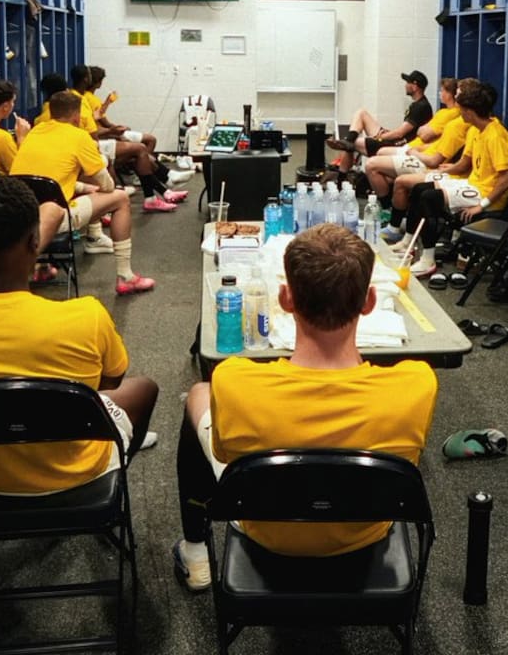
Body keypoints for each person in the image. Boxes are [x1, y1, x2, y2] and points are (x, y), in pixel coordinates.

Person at [171, 224, 439, 591]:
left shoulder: (233, 381)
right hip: (365, 531)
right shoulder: (416, 384)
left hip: (263, 527)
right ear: (369, 302)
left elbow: (222, 453)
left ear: (285, 299)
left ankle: (195, 551)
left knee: (199, 394)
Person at [0, 178, 160, 495]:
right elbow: (109, 382)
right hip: (80, 474)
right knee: (144, 388)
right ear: (35, 240)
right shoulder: (87, 317)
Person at [11, 90, 157, 295]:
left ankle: (42, 266)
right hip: (55, 217)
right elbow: (106, 185)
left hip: (21, 216)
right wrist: (100, 178)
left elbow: (44, 178)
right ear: (77, 117)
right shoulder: (79, 137)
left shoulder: (35, 132)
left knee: (79, 185)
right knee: (120, 198)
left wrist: (83, 188)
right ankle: (126, 277)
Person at [390, 79, 508, 278]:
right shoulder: (476, 129)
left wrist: (481, 206)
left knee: (429, 198)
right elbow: (465, 163)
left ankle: (427, 261)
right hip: (474, 184)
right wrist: (446, 171)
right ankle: (408, 243)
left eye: (462, 109)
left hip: (487, 194)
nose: (459, 112)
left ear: (470, 112)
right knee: (420, 188)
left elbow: (505, 179)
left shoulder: (496, 135)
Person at [71, 64, 184, 211]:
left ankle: (162, 190)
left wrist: (112, 125)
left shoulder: (79, 99)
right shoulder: (79, 100)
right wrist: (113, 132)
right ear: (87, 79)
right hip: (92, 145)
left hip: (95, 140)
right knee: (142, 148)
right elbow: (93, 131)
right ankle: (163, 184)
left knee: (140, 154)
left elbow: (96, 119)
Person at [363, 77, 464, 201]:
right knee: (380, 158)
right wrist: (419, 146)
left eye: (442, 90)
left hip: (425, 160)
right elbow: (421, 132)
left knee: (373, 163)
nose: (440, 93)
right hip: (420, 149)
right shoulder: (442, 113)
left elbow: (425, 138)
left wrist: (415, 152)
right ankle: (390, 199)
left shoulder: (454, 120)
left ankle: (386, 203)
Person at [326, 71, 434, 172]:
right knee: (361, 113)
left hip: (401, 145)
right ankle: (348, 141)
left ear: (415, 86)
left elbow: (400, 133)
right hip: (398, 140)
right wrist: (385, 134)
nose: (405, 85)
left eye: (407, 83)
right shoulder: (418, 104)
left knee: (354, 143)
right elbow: (403, 132)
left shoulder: (421, 106)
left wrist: (380, 137)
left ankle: (341, 173)